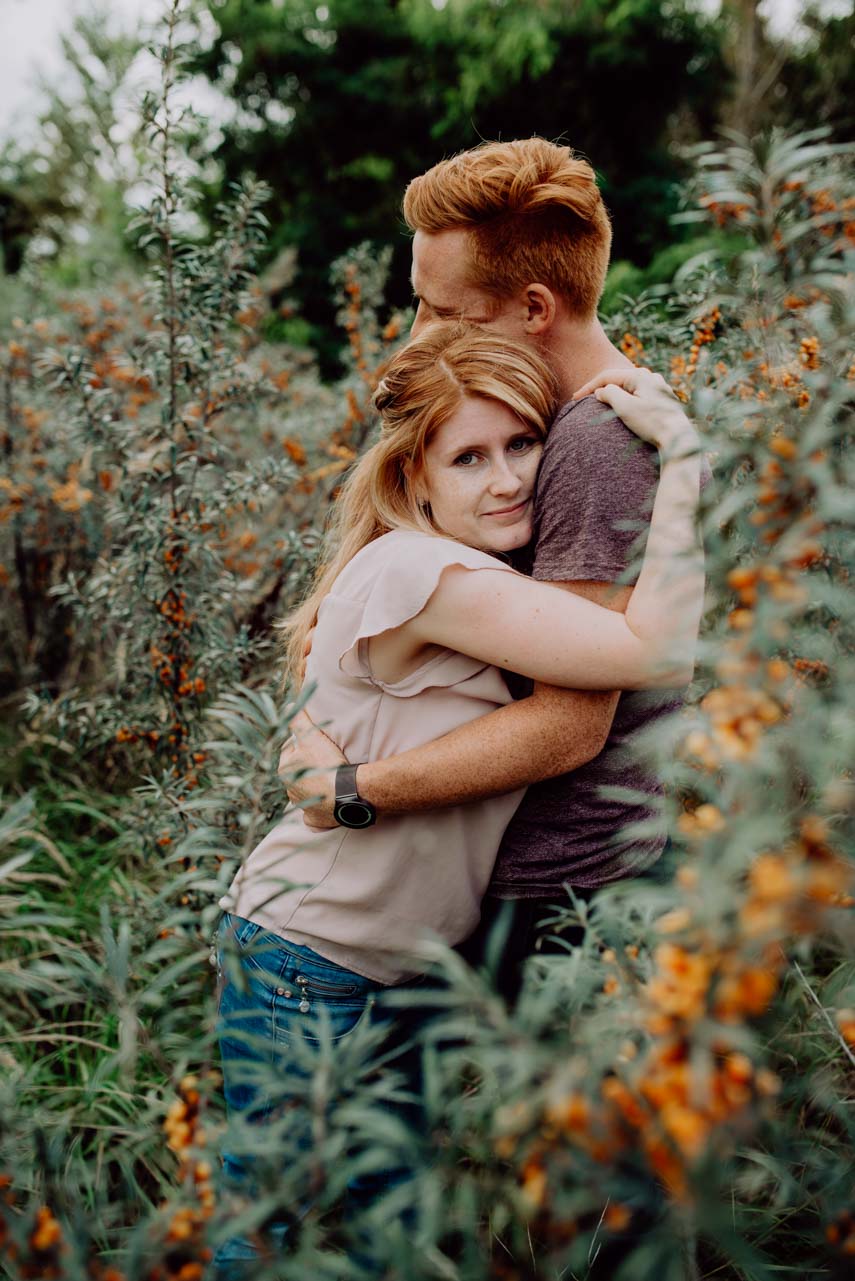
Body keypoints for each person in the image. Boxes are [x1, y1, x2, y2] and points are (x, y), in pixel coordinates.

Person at [212, 322, 703, 1276]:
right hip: (308, 956)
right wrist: (680, 462)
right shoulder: (424, 569)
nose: (508, 477)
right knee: (268, 1219)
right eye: (468, 457)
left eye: (523, 443)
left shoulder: (461, 570)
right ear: (415, 478)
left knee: (390, 1233)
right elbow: (654, 651)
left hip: (374, 964)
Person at [283, 138, 710, 989]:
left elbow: (570, 721)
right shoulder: (531, 425)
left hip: (564, 890)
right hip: (499, 880)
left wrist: (352, 785)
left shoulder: (597, 444)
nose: (413, 338)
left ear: (534, 308)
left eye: (443, 314)